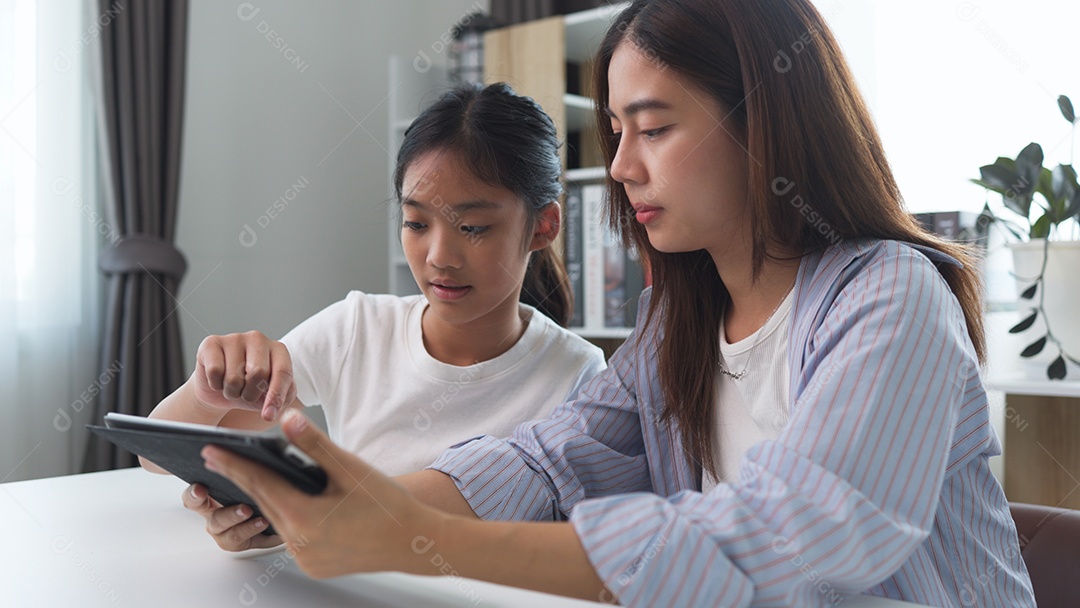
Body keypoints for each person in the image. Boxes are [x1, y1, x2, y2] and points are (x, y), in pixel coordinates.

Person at [201, 0, 1037, 605]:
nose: (621, 166)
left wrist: (431, 547)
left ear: (765, 122)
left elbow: (797, 533)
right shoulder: (677, 325)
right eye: (615, 131)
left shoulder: (890, 297)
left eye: (655, 128)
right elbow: (547, 460)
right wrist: (347, 506)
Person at [142, 82, 606, 551]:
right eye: (416, 223)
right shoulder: (358, 328)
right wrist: (209, 400)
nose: (440, 257)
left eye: (473, 228)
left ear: (543, 226)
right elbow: (157, 457)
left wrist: (313, 520)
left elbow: (579, 546)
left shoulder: (578, 375)